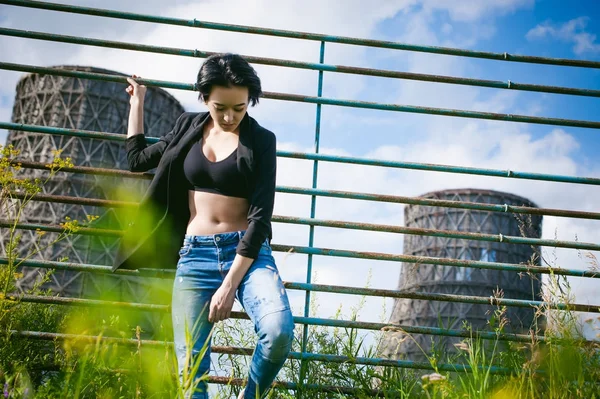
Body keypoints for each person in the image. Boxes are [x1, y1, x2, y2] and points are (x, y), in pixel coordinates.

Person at [115, 53, 295, 399]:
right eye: (219, 107)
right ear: (204, 98)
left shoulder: (262, 140)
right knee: (191, 370)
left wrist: (228, 287)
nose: (229, 117)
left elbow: (260, 220)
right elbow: (137, 160)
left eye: (239, 108)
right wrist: (137, 102)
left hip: (247, 253)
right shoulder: (187, 126)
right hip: (194, 256)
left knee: (278, 329)